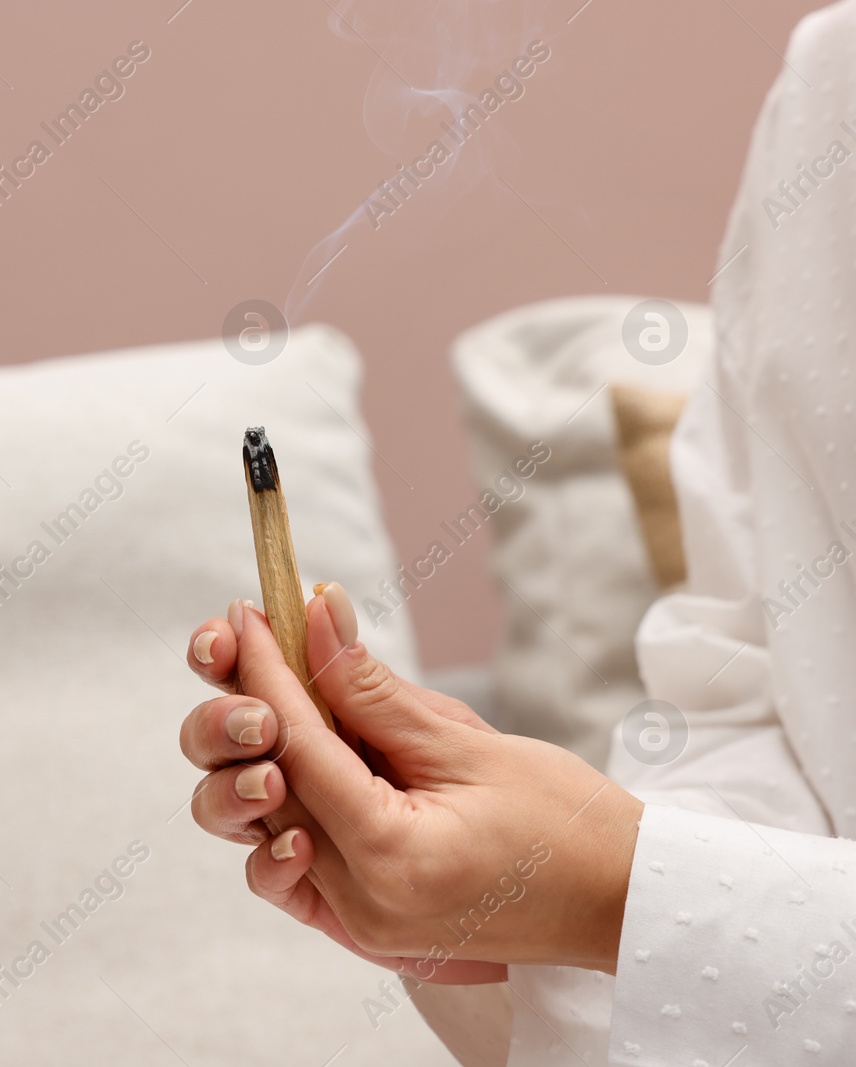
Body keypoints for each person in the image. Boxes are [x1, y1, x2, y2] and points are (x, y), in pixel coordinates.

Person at [178, 3, 856, 1062]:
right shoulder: (834, 86)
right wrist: (511, 913)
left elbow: (654, 897)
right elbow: (756, 703)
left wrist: (619, 896)